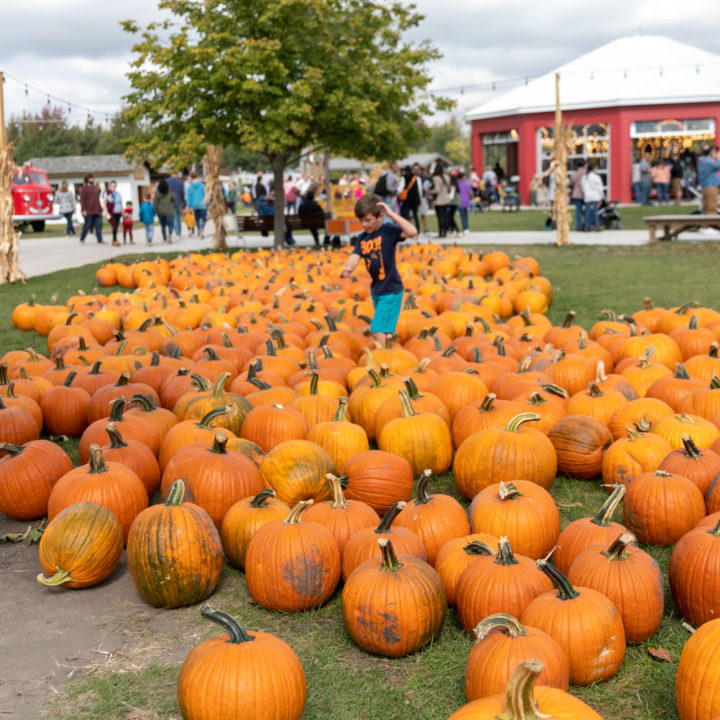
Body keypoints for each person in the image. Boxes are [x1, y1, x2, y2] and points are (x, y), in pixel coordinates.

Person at [340, 193, 418, 345]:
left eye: (368, 220)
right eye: (361, 220)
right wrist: (349, 267)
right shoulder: (362, 238)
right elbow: (356, 255)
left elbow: (412, 232)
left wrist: (391, 214)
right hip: (377, 290)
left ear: (379, 216)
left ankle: (388, 357)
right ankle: (390, 353)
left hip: (391, 290)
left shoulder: (389, 231)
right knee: (386, 330)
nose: (364, 224)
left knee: (376, 329)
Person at [697, 145, 720, 234]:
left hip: (705, 187)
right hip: (711, 187)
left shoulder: (701, 160)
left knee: (705, 208)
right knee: (711, 207)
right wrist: (718, 157)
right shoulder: (708, 161)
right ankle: (710, 227)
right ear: (711, 152)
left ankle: (704, 227)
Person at [78, 174, 104, 244]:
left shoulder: (95, 187)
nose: (92, 179)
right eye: (91, 178)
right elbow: (82, 199)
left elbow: (97, 198)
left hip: (97, 210)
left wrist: (101, 209)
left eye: (93, 178)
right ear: (87, 179)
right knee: (87, 225)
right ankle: (82, 239)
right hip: (88, 211)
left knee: (99, 225)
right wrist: (83, 210)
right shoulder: (84, 188)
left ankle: (100, 240)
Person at [581, 163, 604, 232]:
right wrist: (601, 197)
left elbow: (582, 187)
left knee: (588, 212)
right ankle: (596, 225)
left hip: (587, 196)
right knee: (595, 212)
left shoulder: (584, 177)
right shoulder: (596, 177)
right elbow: (600, 188)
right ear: (593, 169)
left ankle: (587, 226)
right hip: (595, 196)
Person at [431, 164, 452, 238]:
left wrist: (430, 191)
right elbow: (449, 188)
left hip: (439, 200)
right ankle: (445, 231)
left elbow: (437, 190)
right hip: (446, 199)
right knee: (445, 216)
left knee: (440, 217)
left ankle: (441, 232)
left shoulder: (435, 178)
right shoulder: (447, 177)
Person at [398, 165, 420, 233]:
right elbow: (419, 189)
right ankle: (417, 230)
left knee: (406, 216)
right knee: (415, 216)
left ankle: (406, 230)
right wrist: (419, 199)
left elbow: (400, 188)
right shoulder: (415, 177)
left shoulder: (403, 177)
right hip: (415, 200)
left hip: (406, 200)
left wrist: (398, 195)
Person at [153, 179, 176, 243]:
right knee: (171, 225)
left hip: (160, 212)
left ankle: (164, 238)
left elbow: (155, 203)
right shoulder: (169, 192)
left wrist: (155, 212)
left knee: (163, 226)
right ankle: (170, 234)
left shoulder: (157, 193)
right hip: (169, 211)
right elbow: (174, 200)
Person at [102, 181, 123, 246]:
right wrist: (106, 212)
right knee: (114, 225)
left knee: (116, 226)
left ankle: (115, 239)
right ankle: (114, 240)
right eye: (112, 186)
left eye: (114, 186)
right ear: (110, 186)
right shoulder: (107, 193)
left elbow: (120, 202)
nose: (113, 187)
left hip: (118, 212)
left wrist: (122, 210)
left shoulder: (118, 194)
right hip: (111, 212)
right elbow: (104, 203)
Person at [166, 171, 185, 237]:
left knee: (174, 217)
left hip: (171, 201)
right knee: (178, 217)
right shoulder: (179, 181)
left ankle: (177, 233)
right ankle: (178, 232)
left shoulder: (167, 181)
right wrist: (183, 200)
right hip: (178, 200)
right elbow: (182, 191)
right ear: (176, 174)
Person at [569, 159, 587, 231]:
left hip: (576, 194)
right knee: (587, 211)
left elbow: (571, 182)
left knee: (578, 212)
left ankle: (579, 226)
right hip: (585, 194)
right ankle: (586, 224)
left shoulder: (574, 173)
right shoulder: (586, 172)